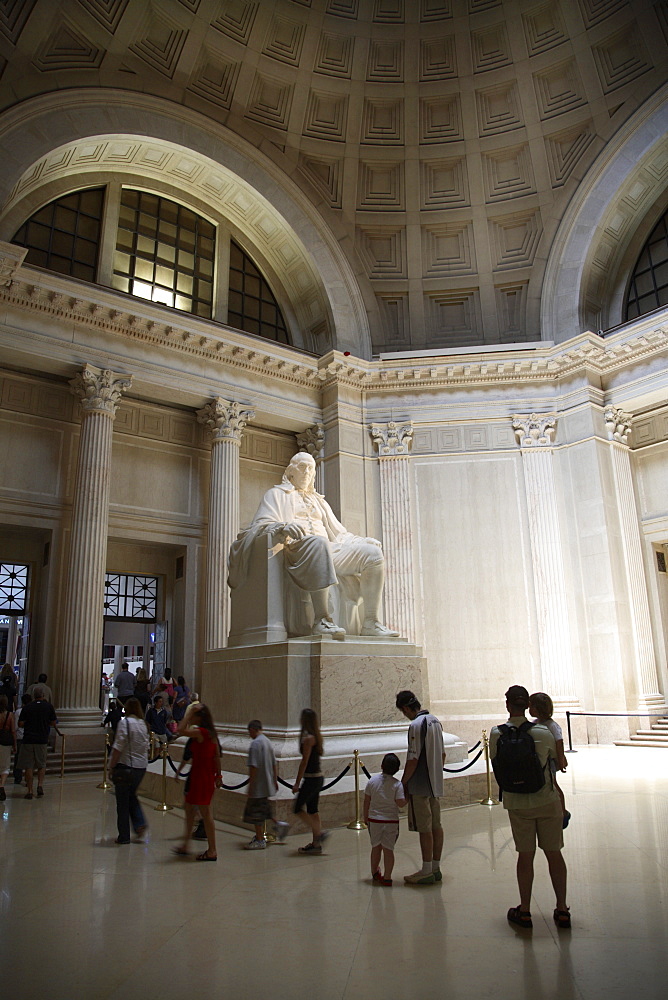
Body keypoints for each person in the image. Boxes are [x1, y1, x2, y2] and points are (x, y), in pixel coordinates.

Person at [229, 451, 400, 639]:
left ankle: (371, 622)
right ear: (291, 471)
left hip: (328, 549)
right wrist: (282, 526)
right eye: (303, 467)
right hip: (294, 549)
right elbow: (260, 525)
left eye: (311, 468)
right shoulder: (276, 495)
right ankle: (322, 619)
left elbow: (339, 533)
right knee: (319, 544)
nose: (308, 472)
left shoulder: (319, 501)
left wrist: (362, 541)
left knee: (372, 554)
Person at [490, 685, 570, 930]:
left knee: (525, 857)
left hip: (517, 804)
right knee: (554, 854)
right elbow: (556, 763)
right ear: (527, 705)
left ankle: (524, 911)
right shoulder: (544, 733)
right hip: (546, 800)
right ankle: (562, 909)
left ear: (507, 705)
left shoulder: (496, 734)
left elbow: (496, 764)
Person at [395, 689, 445, 885]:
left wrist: (403, 783)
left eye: (403, 711)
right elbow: (442, 755)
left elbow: (413, 758)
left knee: (424, 827)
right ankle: (435, 866)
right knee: (436, 825)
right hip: (435, 782)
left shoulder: (416, 725)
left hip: (421, 785)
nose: (405, 715)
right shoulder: (435, 721)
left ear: (406, 708)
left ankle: (425, 870)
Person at [172, 704, 222, 861]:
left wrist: (188, 714)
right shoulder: (211, 734)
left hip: (201, 777)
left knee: (206, 814)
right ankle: (186, 844)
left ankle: (212, 850)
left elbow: (179, 730)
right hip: (201, 776)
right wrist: (218, 776)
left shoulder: (201, 732)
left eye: (194, 716)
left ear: (199, 717)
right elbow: (217, 756)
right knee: (190, 809)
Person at [282, 708, 330, 855]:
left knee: (297, 808)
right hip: (317, 778)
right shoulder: (316, 736)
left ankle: (319, 833)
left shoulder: (309, 739)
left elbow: (304, 761)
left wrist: (297, 783)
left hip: (311, 778)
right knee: (313, 810)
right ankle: (316, 844)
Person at [108, 696, 150, 845]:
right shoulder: (143, 724)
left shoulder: (125, 723)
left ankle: (124, 836)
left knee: (122, 802)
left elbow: (118, 747)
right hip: (141, 767)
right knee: (131, 795)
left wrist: (111, 766)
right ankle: (139, 824)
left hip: (126, 766)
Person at [529, 691, 571, 829]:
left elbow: (559, 743)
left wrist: (561, 759)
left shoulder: (552, 725)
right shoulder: (535, 723)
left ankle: (563, 811)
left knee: (554, 784)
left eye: (531, 706)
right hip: (542, 760)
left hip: (550, 760)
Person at [363, 752, 406, 886]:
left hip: (374, 820)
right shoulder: (397, 785)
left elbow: (366, 801)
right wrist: (408, 796)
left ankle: (375, 872)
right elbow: (400, 803)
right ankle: (387, 877)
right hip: (390, 821)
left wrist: (366, 817)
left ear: (381, 765)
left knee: (376, 847)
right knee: (388, 849)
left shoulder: (372, 781)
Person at [17, 685, 61, 799]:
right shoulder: (48, 707)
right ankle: (40, 785)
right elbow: (53, 722)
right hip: (42, 739)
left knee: (28, 766)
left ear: (33, 696)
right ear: (43, 695)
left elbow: (20, 724)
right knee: (41, 764)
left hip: (28, 739)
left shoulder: (27, 707)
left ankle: (30, 790)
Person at [243, 719, 278, 850]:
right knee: (264, 809)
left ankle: (259, 839)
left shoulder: (255, 744)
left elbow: (253, 766)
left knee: (256, 813)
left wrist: (251, 786)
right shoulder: (267, 741)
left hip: (258, 785)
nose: (249, 734)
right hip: (267, 783)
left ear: (253, 729)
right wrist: (274, 780)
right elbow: (274, 763)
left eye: (249, 731)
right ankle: (278, 826)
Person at [0, 694, 17, 800]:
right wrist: (15, 744)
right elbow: (13, 731)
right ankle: (1, 785)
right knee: (5, 766)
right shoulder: (10, 715)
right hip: (5, 742)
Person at [13, 692, 30, 784]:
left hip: (20, 736)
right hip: (29, 737)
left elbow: (15, 727)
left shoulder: (18, 712)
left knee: (18, 759)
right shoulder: (32, 711)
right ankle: (28, 778)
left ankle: (18, 777)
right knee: (28, 759)